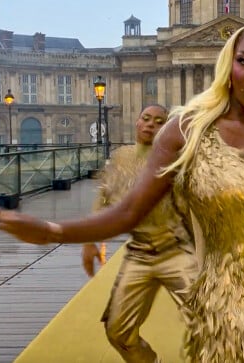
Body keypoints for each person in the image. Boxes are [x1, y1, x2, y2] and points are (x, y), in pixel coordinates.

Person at [0, 24, 244, 362]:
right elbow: (130, 211)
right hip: (230, 301)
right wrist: (54, 231)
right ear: (227, 68)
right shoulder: (185, 130)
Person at [84, 104, 199, 363]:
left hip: (177, 248)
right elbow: (103, 197)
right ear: (137, 122)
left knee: (208, 319)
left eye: (159, 122)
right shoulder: (121, 157)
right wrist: (91, 240)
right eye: (146, 119)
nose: (150, 124)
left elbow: (193, 207)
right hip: (139, 253)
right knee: (117, 330)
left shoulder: (178, 160)